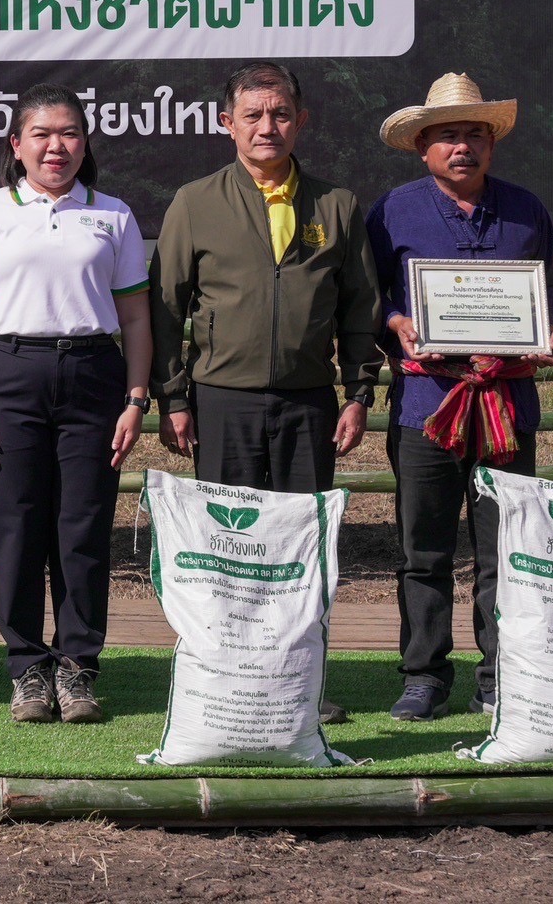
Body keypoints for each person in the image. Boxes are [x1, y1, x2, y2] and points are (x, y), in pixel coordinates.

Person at [150, 61, 377, 725]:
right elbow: (165, 310)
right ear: (228, 123)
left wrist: (358, 392)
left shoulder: (336, 205)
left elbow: (360, 309)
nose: (267, 127)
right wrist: (174, 398)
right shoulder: (196, 202)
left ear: (301, 121)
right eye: (252, 115)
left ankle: (302, 686)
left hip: (309, 404)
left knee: (300, 550)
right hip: (221, 402)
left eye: (279, 114)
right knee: (227, 550)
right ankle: (227, 685)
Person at [0, 86, 152, 725]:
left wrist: (136, 398)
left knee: (82, 527)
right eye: (40, 134)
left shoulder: (114, 215)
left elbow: (136, 318)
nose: (55, 147)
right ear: (17, 145)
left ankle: (78, 667)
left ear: (85, 145)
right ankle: (27, 669)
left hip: (93, 378)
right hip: (8, 376)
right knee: (14, 527)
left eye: (68, 134)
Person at [365, 72, 553, 723]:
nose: (463, 147)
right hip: (427, 405)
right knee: (423, 551)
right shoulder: (391, 212)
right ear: (422, 145)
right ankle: (424, 675)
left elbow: (547, 297)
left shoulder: (527, 211)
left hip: (505, 407)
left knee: (505, 549)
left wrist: (546, 333)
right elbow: (368, 298)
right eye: (448, 135)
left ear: (492, 143)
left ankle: (501, 675)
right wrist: (395, 321)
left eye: (475, 134)